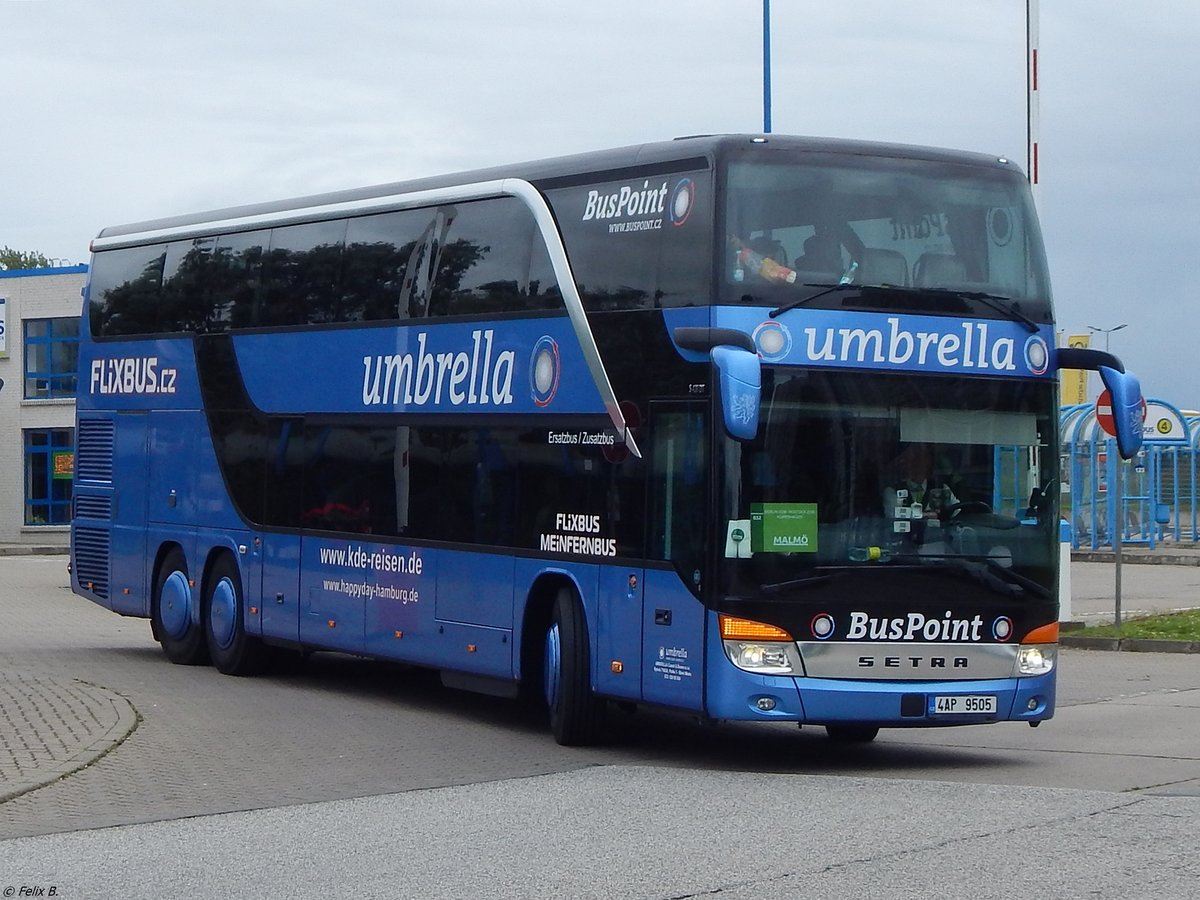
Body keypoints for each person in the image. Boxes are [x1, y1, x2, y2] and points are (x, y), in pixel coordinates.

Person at [882, 443, 958, 520]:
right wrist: (928, 515)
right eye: (913, 457)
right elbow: (893, 515)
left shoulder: (942, 488)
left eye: (923, 457)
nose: (918, 462)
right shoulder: (892, 491)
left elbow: (957, 510)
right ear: (905, 462)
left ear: (929, 461)